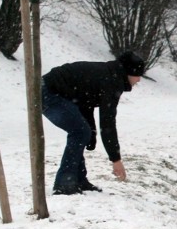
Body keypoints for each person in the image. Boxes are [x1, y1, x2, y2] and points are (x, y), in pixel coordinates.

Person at [41, 51, 145, 195]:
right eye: (137, 74)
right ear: (128, 72)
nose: (139, 79)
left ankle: (78, 179)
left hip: (49, 90)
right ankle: (65, 183)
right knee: (80, 132)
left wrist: (92, 133)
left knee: (82, 132)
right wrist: (116, 159)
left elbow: (85, 100)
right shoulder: (112, 81)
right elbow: (107, 122)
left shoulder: (110, 73)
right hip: (47, 93)